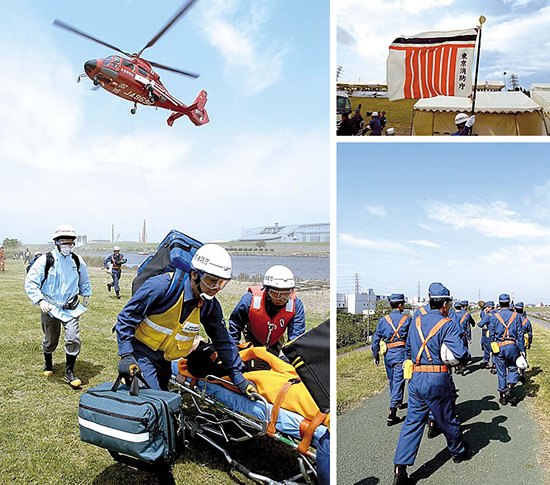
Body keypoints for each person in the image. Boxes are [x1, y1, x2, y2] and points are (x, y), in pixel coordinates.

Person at [116, 244, 257, 398]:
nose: (216, 288)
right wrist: (126, 355)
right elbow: (126, 318)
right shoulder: (161, 286)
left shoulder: (210, 306)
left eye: (222, 283)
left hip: (165, 358)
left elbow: (222, 340)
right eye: (211, 281)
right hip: (140, 352)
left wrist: (239, 379)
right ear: (195, 275)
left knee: (163, 399)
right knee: (154, 400)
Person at [393, 282, 470, 485]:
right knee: (447, 418)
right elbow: (461, 354)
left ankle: (400, 469)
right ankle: (458, 451)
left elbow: (408, 351)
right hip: (437, 377)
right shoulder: (448, 324)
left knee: (412, 422)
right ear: (445, 304)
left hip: (416, 378)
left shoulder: (415, 322)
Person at [24, 224, 92, 389]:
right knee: (50, 340)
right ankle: (48, 364)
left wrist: (86, 293)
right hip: (50, 307)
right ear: (56, 242)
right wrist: (40, 301)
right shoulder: (45, 260)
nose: (68, 246)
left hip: (71, 307)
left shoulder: (77, 260)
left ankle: (69, 371)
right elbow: (31, 282)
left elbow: (84, 278)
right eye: (64, 242)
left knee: (73, 337)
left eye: (71, 243)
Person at [229, 265, 305, 356]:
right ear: (267, 290)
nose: (281, 298)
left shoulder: (296, 305)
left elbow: (296, 337)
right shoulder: (249, 300)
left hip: (276, 338)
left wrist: (291, 358)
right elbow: (234, 327)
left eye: (286, 294)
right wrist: (233, 351)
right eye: (276, 294)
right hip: (252, 334)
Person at [371, 293, 412, 426]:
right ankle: (392, 413)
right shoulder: (407, 319)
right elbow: (412, 339)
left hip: (388, 355)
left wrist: (375, 354)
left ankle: (398, 401)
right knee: (399, 382)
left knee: (392, 380)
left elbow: (375, 339)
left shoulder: (383, 320)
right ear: (400, 305)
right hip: (401, 354)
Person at [489, 293, 525, 406]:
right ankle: (510, 387)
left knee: (501, 372)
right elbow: (520, 334)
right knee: (513, 368)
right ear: (509, 303)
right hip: (513, 346)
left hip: (499, 347)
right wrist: (522, 349)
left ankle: (503, 396)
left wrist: (491, 349)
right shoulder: (517, 316)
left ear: (499, 303)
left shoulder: (495, 316)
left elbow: (491, 335)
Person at [454, 300, 473, 375]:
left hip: (454, 335)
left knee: (455, 350)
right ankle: (463, 364)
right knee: (464, 349)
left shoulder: (452, 315)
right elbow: (468, 327)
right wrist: (469, 338)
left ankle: (456, 366)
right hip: (463, 335)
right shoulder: (466, 315)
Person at [515, 302, 532, 383]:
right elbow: (530, 333)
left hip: (514, 341)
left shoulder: (513, 319)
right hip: (523, 342)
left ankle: (514, 375)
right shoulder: (526, 321)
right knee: (523, 357)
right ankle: (522, 372)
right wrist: (529, 343)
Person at [478, 300, 495, 371]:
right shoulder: (498, 314)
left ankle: (486, 362)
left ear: (490, 307)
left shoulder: (488, 315)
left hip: (489, 334)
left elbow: (480, 324)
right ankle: (494, 365)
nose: (486, 309)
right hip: (498, 335)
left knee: (487, 349)